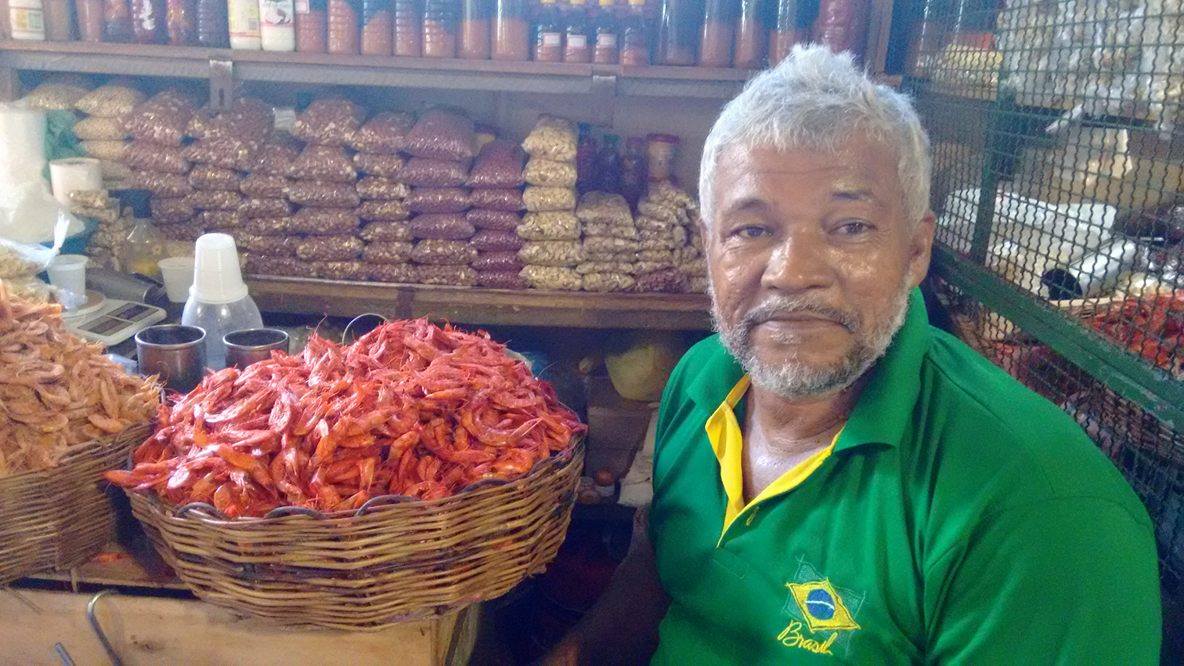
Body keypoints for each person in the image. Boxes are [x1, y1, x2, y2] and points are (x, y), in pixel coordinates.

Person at [548, 45, 1162, 663]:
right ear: (710, 250)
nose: (793, 273)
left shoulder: (1044, 515)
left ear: (915, 251)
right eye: (752, 229)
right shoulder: (703, 379)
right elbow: (657, 572)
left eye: (850, 227)